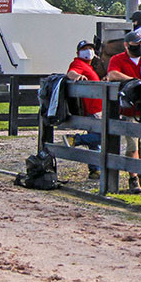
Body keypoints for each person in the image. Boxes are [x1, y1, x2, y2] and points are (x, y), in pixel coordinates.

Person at [106, 30, 141, 194]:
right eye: (135, 44)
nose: (139, 46)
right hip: (129, 109)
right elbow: (112, 74)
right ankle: (133, 179)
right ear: (126, 45)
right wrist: (133, 82)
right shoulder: (118, 59)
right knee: (132, 146)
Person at [62, 39, 102, 180]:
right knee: (102, 137)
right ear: (78, 52)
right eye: (85, 48)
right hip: (92, 108)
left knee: (95, 141)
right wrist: (77, 76)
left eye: (90, 48)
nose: (88, 51)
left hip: (96, 107)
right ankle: (76, 139)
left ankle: (95, 170)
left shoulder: (90, 66)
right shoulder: (78, 64)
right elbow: (71, 72)